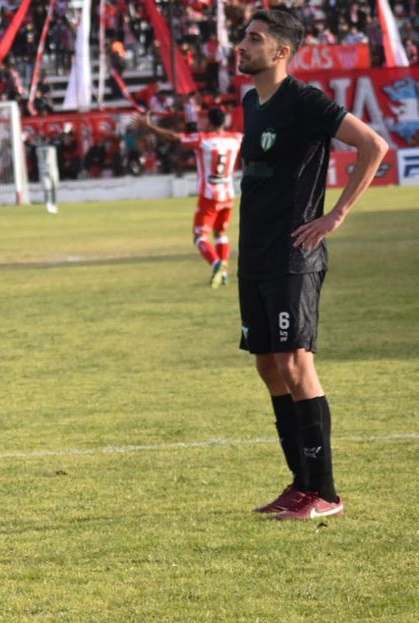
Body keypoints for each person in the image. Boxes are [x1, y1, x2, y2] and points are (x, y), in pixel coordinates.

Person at [234, 10, 387, 520]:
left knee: (297, 365)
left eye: (254, 39)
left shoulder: (305, 101)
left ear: (281, 52)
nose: (242, 45)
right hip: (254, 254)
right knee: (268, 366)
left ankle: (325, 493)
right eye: (243, 37)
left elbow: (373, 145)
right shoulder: (251, 101)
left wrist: (336, 215)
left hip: (293, 256)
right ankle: (300, 484)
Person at [135, 107, 243, 287]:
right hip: (228, 195)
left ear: (209, 122)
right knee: (221, 234)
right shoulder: (237, 138)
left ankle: (216, 263)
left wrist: (150, 127)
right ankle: (223, 273)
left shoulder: (204, 140)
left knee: (199, 236)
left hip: (209, 196)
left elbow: (174, 137)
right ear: (225, 121)